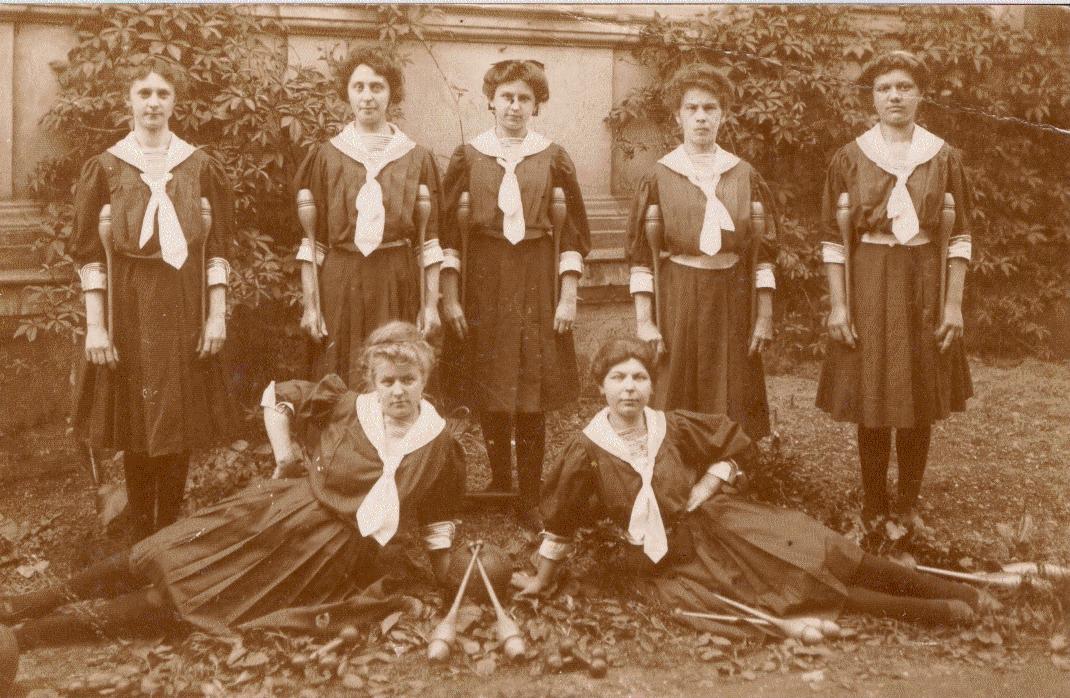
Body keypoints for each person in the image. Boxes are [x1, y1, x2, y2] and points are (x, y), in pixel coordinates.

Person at [1, 322, 465, 659]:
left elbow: (438, 520)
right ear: (373, 381)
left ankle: (30, 637)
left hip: (324, 557)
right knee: (162, 553)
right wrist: (284, 457)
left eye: (409, 380)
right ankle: (25, 604)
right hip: (276, 515)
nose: (398, 391)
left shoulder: (438, 442)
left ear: (424, 379)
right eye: (388, 381)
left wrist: (451, 577)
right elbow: (278, 397)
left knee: (187, 602)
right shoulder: (348, 406)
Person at [514, 337, 994, 630]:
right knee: (805, 590)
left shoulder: (670, 426)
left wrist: (708, 483)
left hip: (729, 521)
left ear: (651, 385)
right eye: (618, 378)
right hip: (684, 556)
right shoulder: (588, 450)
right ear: (600, 386)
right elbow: (561, 521)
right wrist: (541, 578)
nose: (629, 388)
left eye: (639, 377)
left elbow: (735, 443)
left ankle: (968, 594)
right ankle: (943, 613)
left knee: (833, 554)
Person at [69, 57, 238, 541]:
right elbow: (89, 254)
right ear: (128, 99)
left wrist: (217, 315)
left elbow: (219, 248)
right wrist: (96, 326)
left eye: (163, 94)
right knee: (135, 417)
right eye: (144, 93)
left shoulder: (199, 166)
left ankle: (169, 529)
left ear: (175, 102)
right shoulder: (106, 167)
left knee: (177, 416)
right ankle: (143, 529)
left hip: (184, 301)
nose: (153, 103)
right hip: (128, 303)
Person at [815, 50, 975, 528]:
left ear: (921, 95)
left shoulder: (943, 157)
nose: (895, 96)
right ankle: (873, 505)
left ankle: (906, 503)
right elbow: (832, 238)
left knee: (918, 393)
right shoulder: (850, 156)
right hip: (869, 277)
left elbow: (961, 236)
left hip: (924, 280)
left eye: (904, 87)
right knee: (872, 391)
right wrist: (839, 305)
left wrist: (953, 304)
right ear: (873, 97)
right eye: (884, 88)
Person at [439, 59, 590, 529]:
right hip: (483, 276)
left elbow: (573, 232)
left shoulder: (553, 157)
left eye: (525, 98)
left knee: (530, 383)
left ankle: (528, 494)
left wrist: (568, 295)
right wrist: (450, 296)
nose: (515, 107)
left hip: (536, 274)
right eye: (507, 97)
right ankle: (500, 480)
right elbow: (447, 232)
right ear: (491, 101)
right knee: (489, 378)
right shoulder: (469, 156)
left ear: (537, 105)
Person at [625, 62, 778, 440]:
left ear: (723, 115)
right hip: (679, 294)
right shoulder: (659, 176)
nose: (701, 117)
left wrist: (764, 314)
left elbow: (764, 253)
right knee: (677, 383)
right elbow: (641, 257)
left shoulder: (743, 174)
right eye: (691, 108)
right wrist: (645, 321)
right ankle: (673, 461)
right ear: (677, 116)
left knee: (733, 384)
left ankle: (731, 463)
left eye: (710, 108)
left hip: (733, 295)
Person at [294, 46, 443, 389]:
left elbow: (431, 241)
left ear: (392, 93)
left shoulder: (417, 158)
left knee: (396, 371)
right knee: (340, 374)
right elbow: (312, 243)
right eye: (358, 87)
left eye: (377, 87)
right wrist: (311, 306)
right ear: (346, 92)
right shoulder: (327, 156)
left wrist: (430, 305)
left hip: (397, 279)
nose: (367, 97)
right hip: (341, 278)